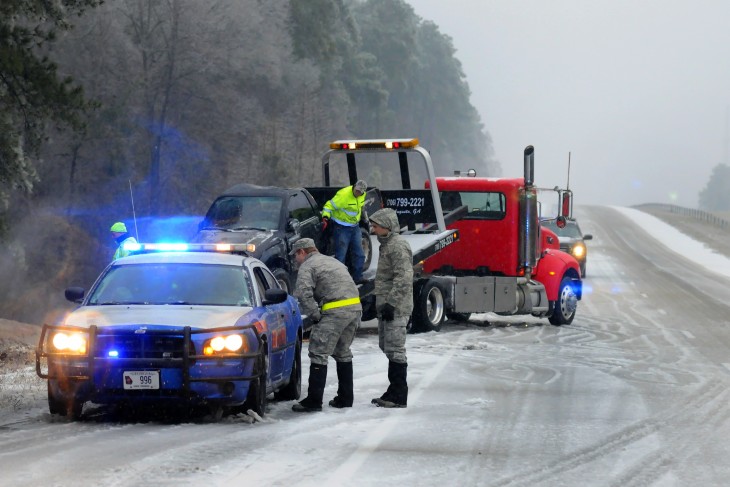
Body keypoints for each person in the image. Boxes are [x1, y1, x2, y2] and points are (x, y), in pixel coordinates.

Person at [290, 238, 363, 412]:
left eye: (295, 256)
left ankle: (314, 401)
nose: (295, 260)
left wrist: (315, 316)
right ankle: (345, 398)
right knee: (342, 351)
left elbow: (303, 294)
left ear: (302, 252)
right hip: (354, 309)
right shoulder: (332, 261)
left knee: (318, 353)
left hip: (335, 312)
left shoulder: (308, 266)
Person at [368, 208, 413, 408]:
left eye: (375, 226)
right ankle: (392, 390)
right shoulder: (385, 246)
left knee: (395, 349)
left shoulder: (397, 246)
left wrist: (391, 303)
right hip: (385, 305)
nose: (372, 229)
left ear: (387, 226)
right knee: (386, 347)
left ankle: (399, 395)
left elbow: (404, 277)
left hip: (396, 307)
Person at [322, 179, 368, 283]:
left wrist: (363, 216)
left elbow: (360, 207)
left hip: (355, 227)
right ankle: (340, 281)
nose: (357, 193)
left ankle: (358, 277)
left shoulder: (362, 195)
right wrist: (325, 216)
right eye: (356, 191)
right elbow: (329, 206)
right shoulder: (343, 195)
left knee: (359, 253)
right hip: (341, 228)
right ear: (354, 187)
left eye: (360, 192)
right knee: (341, 255)